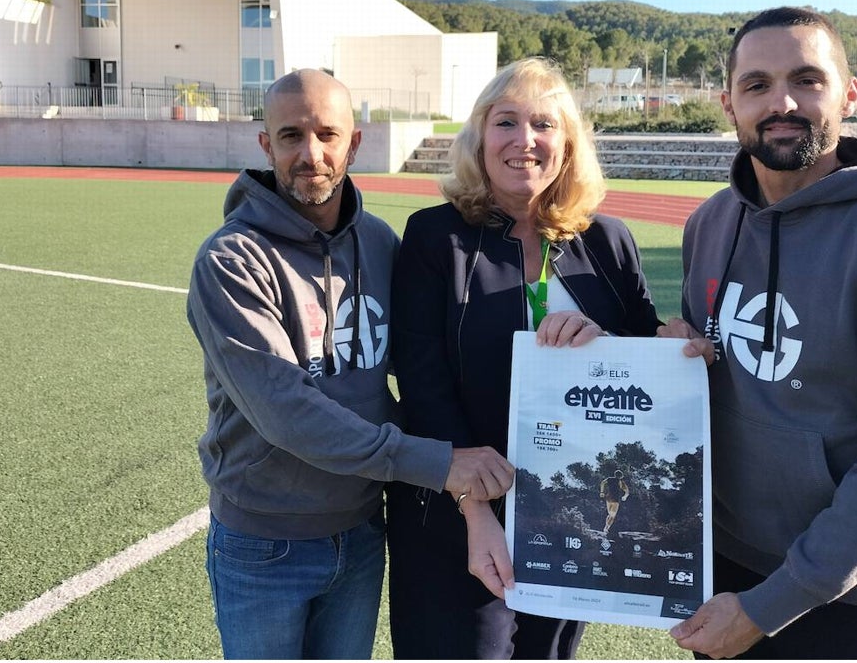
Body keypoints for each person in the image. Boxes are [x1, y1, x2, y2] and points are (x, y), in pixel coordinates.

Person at [660, 7, 857, 659]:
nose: (781, 102)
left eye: (807, 80)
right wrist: (676, 355)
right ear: (729, 104)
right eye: (756, 85)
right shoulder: (711, 224)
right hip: (728, 573)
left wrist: (769, 606)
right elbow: (718, 368)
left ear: (849, 93)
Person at [186, 68, 515, 660]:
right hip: (265, 541)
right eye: (290, 136)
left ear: (353, 143)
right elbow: (286, 411)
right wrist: (438, 464)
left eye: (327, 134)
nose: (310, 154)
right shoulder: (230, 261)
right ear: (266, 145)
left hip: (363, 533)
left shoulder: (383, 243)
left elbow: (425, 364)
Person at [385, 56, 665, 659]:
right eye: (505, 122)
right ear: (480, 138)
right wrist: (475, 508)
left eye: (543, 124)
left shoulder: (608, 241)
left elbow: (650, 361)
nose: (524, 140)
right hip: (456, 514)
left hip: (574, 516)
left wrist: (658, 343)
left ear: (567, 144)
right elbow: (422, 378)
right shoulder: (436, 237)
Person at [599, 468, 630, 536]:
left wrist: (602, 492)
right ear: (621, 476)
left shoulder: (609, 479)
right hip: (615, 500)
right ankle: (606, 528)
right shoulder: (621, 482)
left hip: (608, 499)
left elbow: (602, 483)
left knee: (610, 514)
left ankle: (606, 528)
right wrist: (625, 497)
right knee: (612, 516)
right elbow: (627, 491)